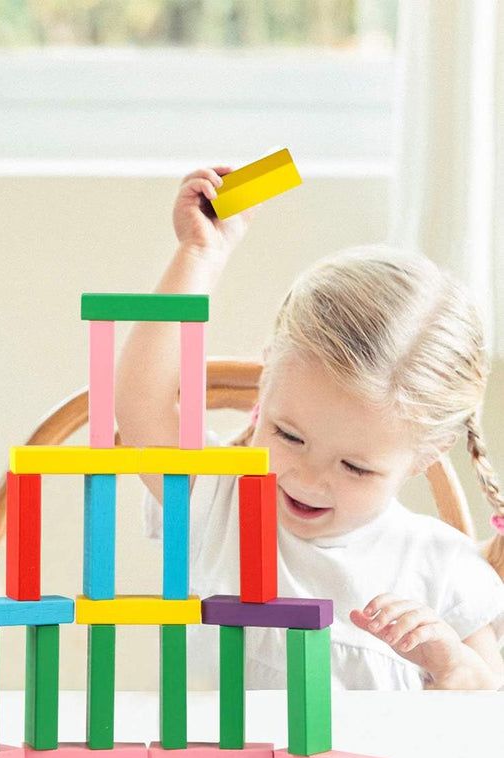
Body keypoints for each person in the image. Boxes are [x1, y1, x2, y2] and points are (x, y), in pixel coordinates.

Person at [116, 166, 504, 691]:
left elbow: (482, 734)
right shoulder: (221, 501)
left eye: (355, 467)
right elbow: (141, 401)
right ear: (267, 378)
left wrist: (456, 669)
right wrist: (200, 254)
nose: (309, 477)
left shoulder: (444, 570)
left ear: (426, 454)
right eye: (289, 436)